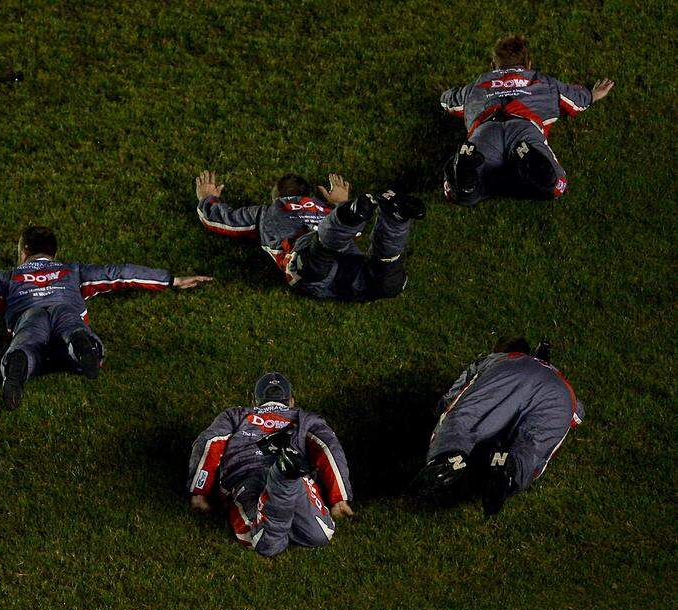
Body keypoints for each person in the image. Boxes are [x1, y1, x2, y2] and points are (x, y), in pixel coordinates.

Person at [0, 225, 212, 409]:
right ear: (54, 253)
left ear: (23, 253)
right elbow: (119, 272)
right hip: (67, 310)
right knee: (75, 331)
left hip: (28, 316)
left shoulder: (9, 278)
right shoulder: (73, 271)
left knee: (26, 345)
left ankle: (18, 367)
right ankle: (81, 345)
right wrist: (171, 279)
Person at [186, 372, 354, 557]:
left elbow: (210, 442)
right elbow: (329, 448)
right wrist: (339, 500)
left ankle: (280, 481)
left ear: (254, 401)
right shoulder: (306, 419)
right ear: (291, 401)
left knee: (263, 541)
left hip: (246, 479)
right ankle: (284, 477)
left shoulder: (235, 415)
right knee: (320, 534)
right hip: (299, 481)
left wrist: (199, 493)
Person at [412, 336, 584, 515]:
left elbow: (451, 399)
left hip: (507, 373)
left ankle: (448, 455)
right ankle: (510, 469)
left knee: (464, 419)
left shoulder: (497, 359)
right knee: (532, 447)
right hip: (562, 394)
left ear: (499, 351)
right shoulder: (554, 372)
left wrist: (439, 415)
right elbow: (577, 415)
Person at [195, 170, 424, 302]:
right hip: (351, 265)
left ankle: (359, 217)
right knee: (387, 277)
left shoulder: (268, 211)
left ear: (277, 195)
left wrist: (207, 198)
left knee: (316, 255)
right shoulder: (322, 208)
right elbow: (356, 231)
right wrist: (340, 204)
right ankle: (395, 219)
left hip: (313, 265)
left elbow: (222, 221)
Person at [441, 34, 615, 204]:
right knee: (556, 186)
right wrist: (592, 95)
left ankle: (464, 177)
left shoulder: (477, 85)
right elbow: (577, 100)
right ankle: (529, 163)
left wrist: (446, 95)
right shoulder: (545, 83)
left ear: (493, 65)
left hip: (486, 131)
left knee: (457, 192)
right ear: (529, 64)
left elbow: (448, 101)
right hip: (524, 131)